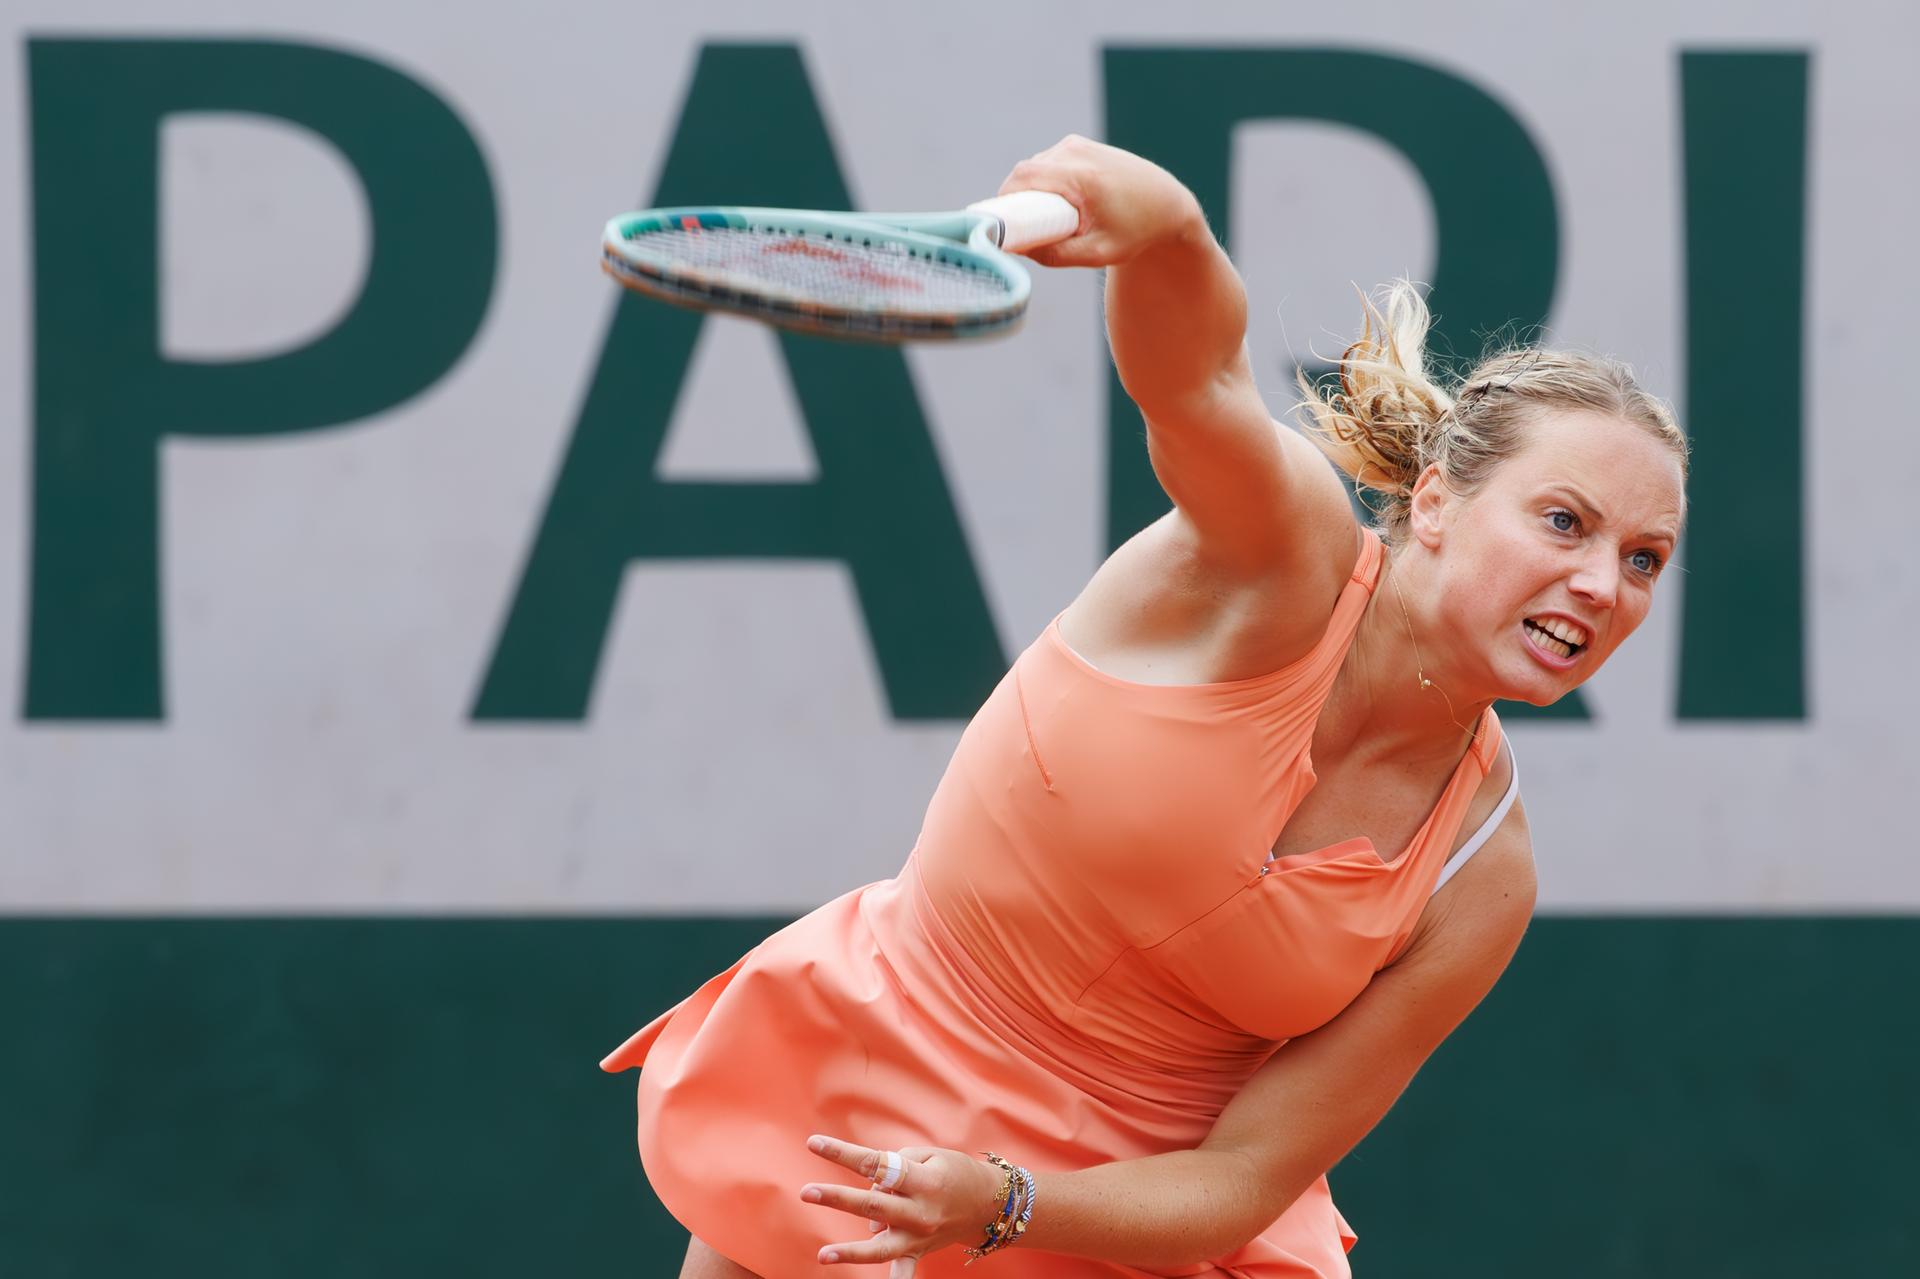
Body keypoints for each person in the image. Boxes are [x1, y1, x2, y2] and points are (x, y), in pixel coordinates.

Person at [601, 135, 1690, 1279]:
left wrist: (1006, 1201)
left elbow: (1241, 1179)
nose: (1600, 583)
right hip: (861, 1091)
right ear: (1432, 500)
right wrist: (1170, 233)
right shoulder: (1278, 556)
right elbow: (1196, 380)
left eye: (1644, 558)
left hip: (1120, 1226)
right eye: (1563, 522)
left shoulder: (1483, 874)